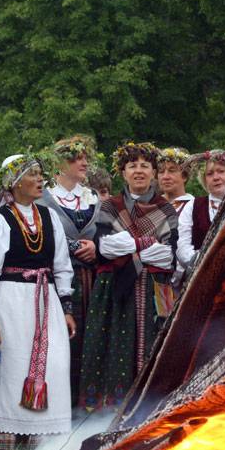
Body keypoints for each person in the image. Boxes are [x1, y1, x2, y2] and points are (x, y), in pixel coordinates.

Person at [0, 153, 76, 436]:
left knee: (55, 363)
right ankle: (12, 435)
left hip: (47, 300)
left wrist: (67, 307)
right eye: (32, 174)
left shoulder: (49, 216)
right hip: (11, 302)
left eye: (39, 173)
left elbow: (62, 265)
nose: (39, 179)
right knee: (14, 363)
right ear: (15, 183)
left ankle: (48, 436)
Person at [79, 142, 178, 410]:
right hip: (114, 291)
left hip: (155, 289)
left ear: (154, 173)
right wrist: (146, 244)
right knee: (112, 348)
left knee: (155, 349)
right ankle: (105, 414)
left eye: (145, 165)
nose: (139, 171)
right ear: (123, 172)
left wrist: (129, 244)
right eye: (132, 165)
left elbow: (168, 255)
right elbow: (106, 247)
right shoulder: (110, 207)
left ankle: (151, 410)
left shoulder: (166, 209)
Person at [36, 134, 101, 404]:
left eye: (86, 157)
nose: (84, 162)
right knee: (61, 341)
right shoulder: (44, 197)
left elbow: (107, 233)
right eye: (77, 157)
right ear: (61, 162)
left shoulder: (93, 197)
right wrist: (72, 246)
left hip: (92, 279)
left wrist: (95, 247)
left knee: (91, 341)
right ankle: (59, 403)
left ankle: (87, 404)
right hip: (56, 280)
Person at [176, 149, 225, 271]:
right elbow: (181, 245)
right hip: (202, 274)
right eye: (210, 174)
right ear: (204, 180)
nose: (216, 177)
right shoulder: (193, 206)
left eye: (221, 171)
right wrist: (202, 260)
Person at [157, 147, 193, 213]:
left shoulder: (196, 207)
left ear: (184, 176)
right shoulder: (150, 207)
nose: (165, 177)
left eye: (171, 171)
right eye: (161, 171)